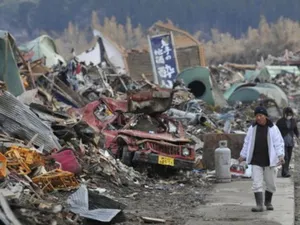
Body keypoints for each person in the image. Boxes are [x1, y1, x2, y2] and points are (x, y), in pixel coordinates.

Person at [238, 106, 285, 212]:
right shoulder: (252, 128)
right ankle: (259, 205)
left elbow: (279, 143)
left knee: (271, 183)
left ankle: (268, 202)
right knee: (256, 182)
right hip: (256, 159)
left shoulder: (273, 128)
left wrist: (281, 155)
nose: (258, 118)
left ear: (265, 116)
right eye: (257, 116)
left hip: (270, 160)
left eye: (260, 116)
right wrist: (243, 155)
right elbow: (247, 143)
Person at [276, 107, 299, 177]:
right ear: (284, 114)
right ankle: (285, 172)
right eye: (287, 114)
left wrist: (298, 136)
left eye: (290, 114)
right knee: (285, 157)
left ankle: (285, 171)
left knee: (289, 157)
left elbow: (295, 130)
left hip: (290, 142)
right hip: (282, 142)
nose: (289, 116)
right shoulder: (280, 122)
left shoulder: (293, 121)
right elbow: (276, 131)